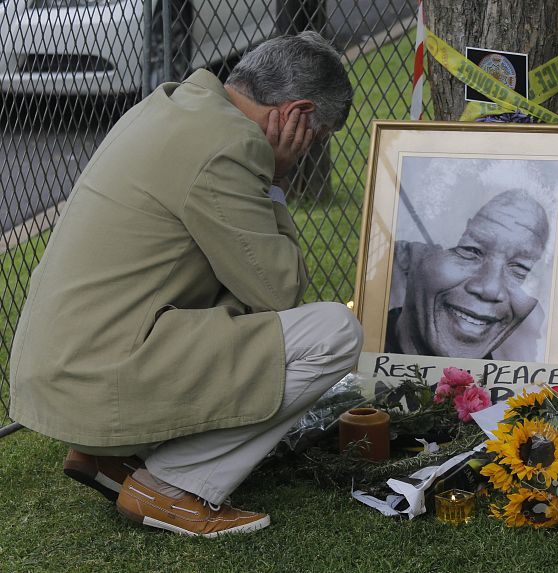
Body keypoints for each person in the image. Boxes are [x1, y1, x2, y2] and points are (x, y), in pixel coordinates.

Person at [9, 32, 363, 537]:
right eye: (318, 136)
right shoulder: (232, 147)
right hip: (95, 374)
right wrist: (278, 179)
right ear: (297, 114)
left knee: (235, 300)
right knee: (335, 331)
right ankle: (173, 485)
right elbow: (278, 292)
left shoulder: (175, 104)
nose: (310, 149)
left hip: (62, 366)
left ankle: (114, 454)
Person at [384, 189, 549, 359]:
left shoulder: (524, 382)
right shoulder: (364, 357)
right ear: (405, 254)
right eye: (471, 250)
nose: (490, 289)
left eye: (520, 269)